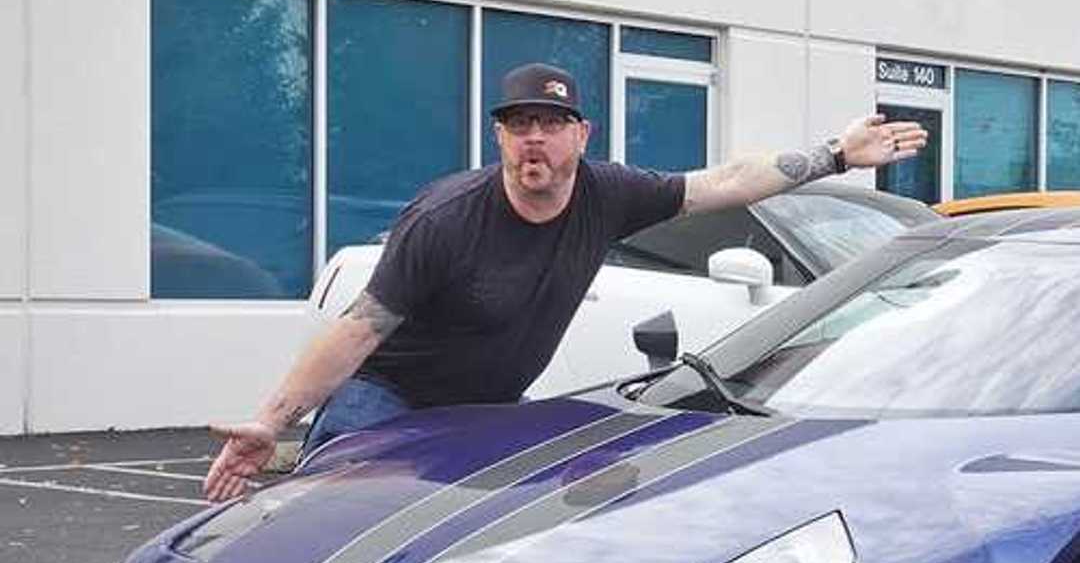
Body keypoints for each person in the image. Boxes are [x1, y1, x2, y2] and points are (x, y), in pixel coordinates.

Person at [203, 62, 927, 502]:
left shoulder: (609, 195)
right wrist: (272, 422)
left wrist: (836, 154)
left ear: (581, 135)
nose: (535, 139)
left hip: (488, 406)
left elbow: (725, 183)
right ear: (500, 137)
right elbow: (357, 331)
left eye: (551, 123)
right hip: (388, 398)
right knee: (328, 520)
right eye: (520, 124)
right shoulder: (446, 219)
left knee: (458, 536)